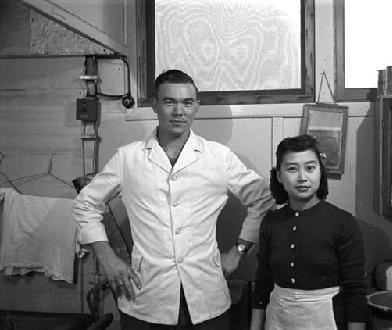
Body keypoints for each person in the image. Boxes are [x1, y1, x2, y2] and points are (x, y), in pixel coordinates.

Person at [73, 69, 274, 329]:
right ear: (155, 105)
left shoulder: (219, 157)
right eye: (169, 101)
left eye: (187, 102)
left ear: (196, 107)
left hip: (207, 297)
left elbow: (263, 200)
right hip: (145, 298)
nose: (179, 111)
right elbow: (85, 203)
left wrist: (239, 251)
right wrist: (107, 257)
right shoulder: (129, 158)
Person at [250, 135, 368, 330]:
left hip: (326, 318)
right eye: (292, 169)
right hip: (279, 319)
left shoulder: (343, 223)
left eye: (310, 168)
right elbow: (263, 281)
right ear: (279, 176)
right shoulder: (271, 222)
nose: (302, 177)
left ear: (320, 172)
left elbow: (355, 290)